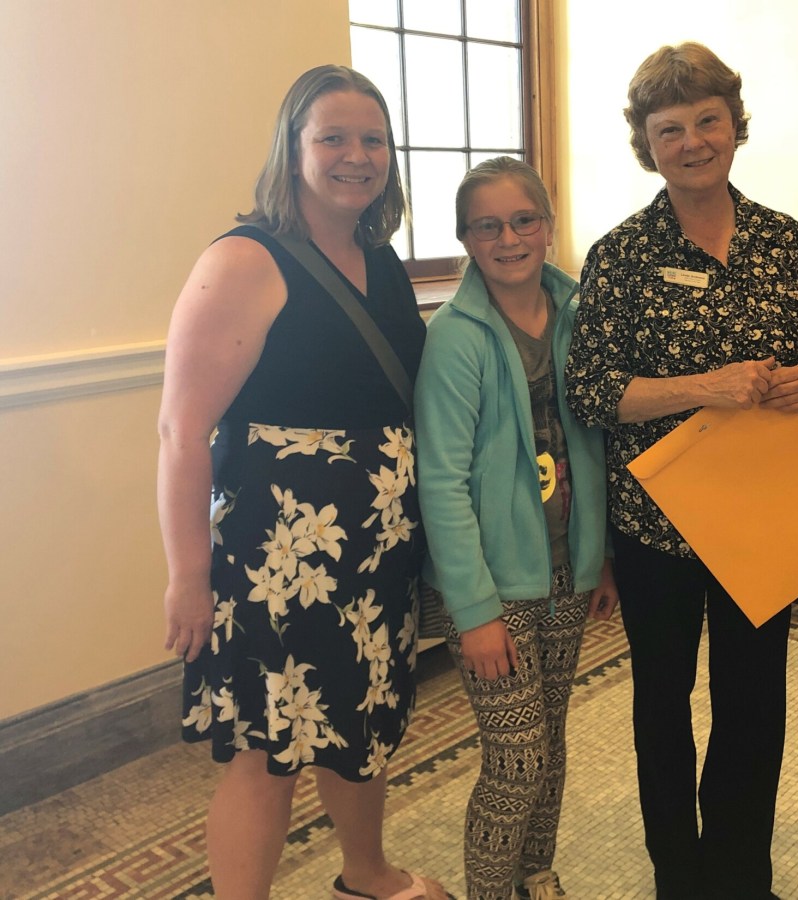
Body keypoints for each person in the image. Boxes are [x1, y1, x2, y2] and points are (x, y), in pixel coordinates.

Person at [158, 65, 453, 900]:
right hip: (278, 558)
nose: (356, 155)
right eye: (333, 137)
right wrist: (188, 577)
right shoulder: (246, 259)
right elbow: (181, 431)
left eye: (373, 139)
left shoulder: (380, 259)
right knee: (269, 750)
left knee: (360, 726)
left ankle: (368, 874)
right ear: (292, 151)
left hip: (375, 554)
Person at [564, 43, 798, 900]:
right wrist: (704, 388)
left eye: (707, 120)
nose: (692, 141)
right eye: (670, 128)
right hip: (659, 524)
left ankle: (741, 876)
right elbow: (592, 390)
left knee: (756, 703)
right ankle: (678, 878)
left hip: (763, 512)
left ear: (734, 125)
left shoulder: (780, 239)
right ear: (649, 144)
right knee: (662, 705)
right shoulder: (621, 254)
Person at [415, 156, 619, 900]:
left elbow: (598, 444)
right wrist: (474, 613)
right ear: (466, 239)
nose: (508, 238)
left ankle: (536, 875)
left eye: (523, 219)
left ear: (548, 223)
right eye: (487, 226)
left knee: (551, 746)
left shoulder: (578, 311)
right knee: (517, 757)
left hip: (567, 572)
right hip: (491, 590)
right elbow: (439, 479)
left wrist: (602, 561)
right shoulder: (456, 338)